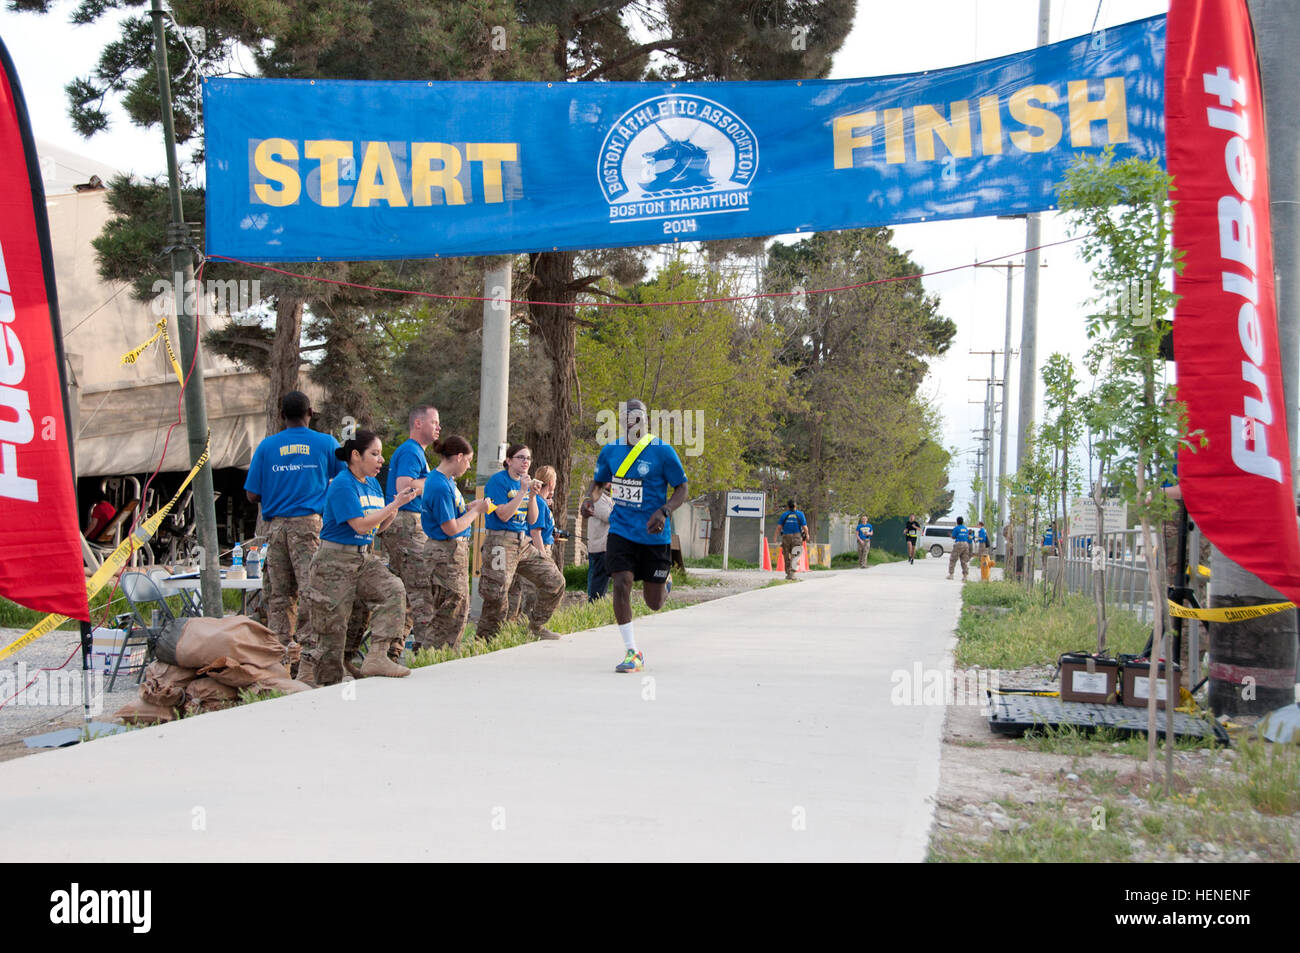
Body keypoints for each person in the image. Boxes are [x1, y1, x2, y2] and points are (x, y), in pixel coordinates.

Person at [301, 431, 420, 686]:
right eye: (374, 454)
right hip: (334, 562)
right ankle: (325, 682)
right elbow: (360, 525)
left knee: (393, 589)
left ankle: (377, 655)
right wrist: (392, 505)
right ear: (356, 455)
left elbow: (378, 528)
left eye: (381, 455)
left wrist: (396, 507)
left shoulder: (372, 484)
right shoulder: (343, 483)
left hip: (362, 557)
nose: (380, 460)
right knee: (332, 631)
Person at [589, 399, 687, 673]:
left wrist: (664, 510)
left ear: (647, 421)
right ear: (622, 421)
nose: (634, 423)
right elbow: (598, 483)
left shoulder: (663, 452)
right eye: (629, 418)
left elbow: (682, 488)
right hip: (621, 530)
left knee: (653, 603)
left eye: (639, 418)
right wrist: (590, 500)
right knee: (621, 583)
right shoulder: (611, 451)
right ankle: (632, 651)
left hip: (654, 535)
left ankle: (664, 582)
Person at [244, 391, 342, 654]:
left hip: (275, 528)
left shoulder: (267, 446)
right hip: (310, 525)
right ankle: (309, 651)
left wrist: (278, 488)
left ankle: (280, 652)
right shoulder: (326, 443)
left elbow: (252, 494)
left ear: (281, 415)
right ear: (310, 413)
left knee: (280, 594)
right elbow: (346, 478)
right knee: (311, 589)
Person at [476, 444, 566, 643]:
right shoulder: (498, 482)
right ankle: (486, 641)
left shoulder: (527, 484)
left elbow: (532, 521)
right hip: (500, 541)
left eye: (528, 458)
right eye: (521, 457)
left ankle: (535, 626)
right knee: (497, 594)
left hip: (522, 543)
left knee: (555, 581)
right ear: (509, 461)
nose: (526, 462)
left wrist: (532, 496)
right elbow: (503, 514)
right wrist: (522, 492)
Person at [421, 434, 491, 651]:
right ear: (459, 457)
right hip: (444, 553)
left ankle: (445, 653)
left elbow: (453, 514)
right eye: (469, 460)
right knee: (451, 609)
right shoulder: (440, 485)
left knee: (457, 607)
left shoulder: (447, 482)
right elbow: (450, 528)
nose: (469, 466)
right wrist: (477, 512)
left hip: (451, 552)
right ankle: (434, 654)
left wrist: (469, 508)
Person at [383, 405, 440, 656]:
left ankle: (393, 648)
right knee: (420, 587)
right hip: (406, 522)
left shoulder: (416, 452)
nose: (439, 427)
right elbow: (404, 487)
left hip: (409, 522)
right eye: (434, 422)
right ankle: (427, 649)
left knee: (406, 590)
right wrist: (436, 481)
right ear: (418, 424)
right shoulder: (410, 451)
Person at [509, 465, 559, 622]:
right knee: (533, 592)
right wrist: (542, 555)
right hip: (539, 549)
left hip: (544, 545)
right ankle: (528, 624)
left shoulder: (542, 501)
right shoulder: (538, 502)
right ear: (551, 482)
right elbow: (535, 532)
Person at [580, 489, 614, 601]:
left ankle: (596, 606)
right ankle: (594, 608)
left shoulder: (607, 498)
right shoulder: (599, 498)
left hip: (605, 547)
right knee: (597, 587)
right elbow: (610, 517)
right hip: (599, 548)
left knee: (601, 584)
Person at [775, 500, 809, 581]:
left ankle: (788, 573)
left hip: (786, 536)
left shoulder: (784, 514)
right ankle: (792, 573)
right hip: (797, 536)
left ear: (788, 506)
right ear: (795, 506)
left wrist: (775, 537)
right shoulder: (800, 514)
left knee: (786, 555)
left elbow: (779, 527)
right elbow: (804, 527)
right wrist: (807, 534)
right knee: (796, 554)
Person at [948, 516, 972, 581]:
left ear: (957, 522)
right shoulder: (965, 528)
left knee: (953, 559)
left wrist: (950, 535)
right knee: (964, 561)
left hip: (959, 544)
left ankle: (951, 575)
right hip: (966, 544)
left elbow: (953, 537)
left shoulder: (956, 528)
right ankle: (965, 576)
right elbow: (967, 536)